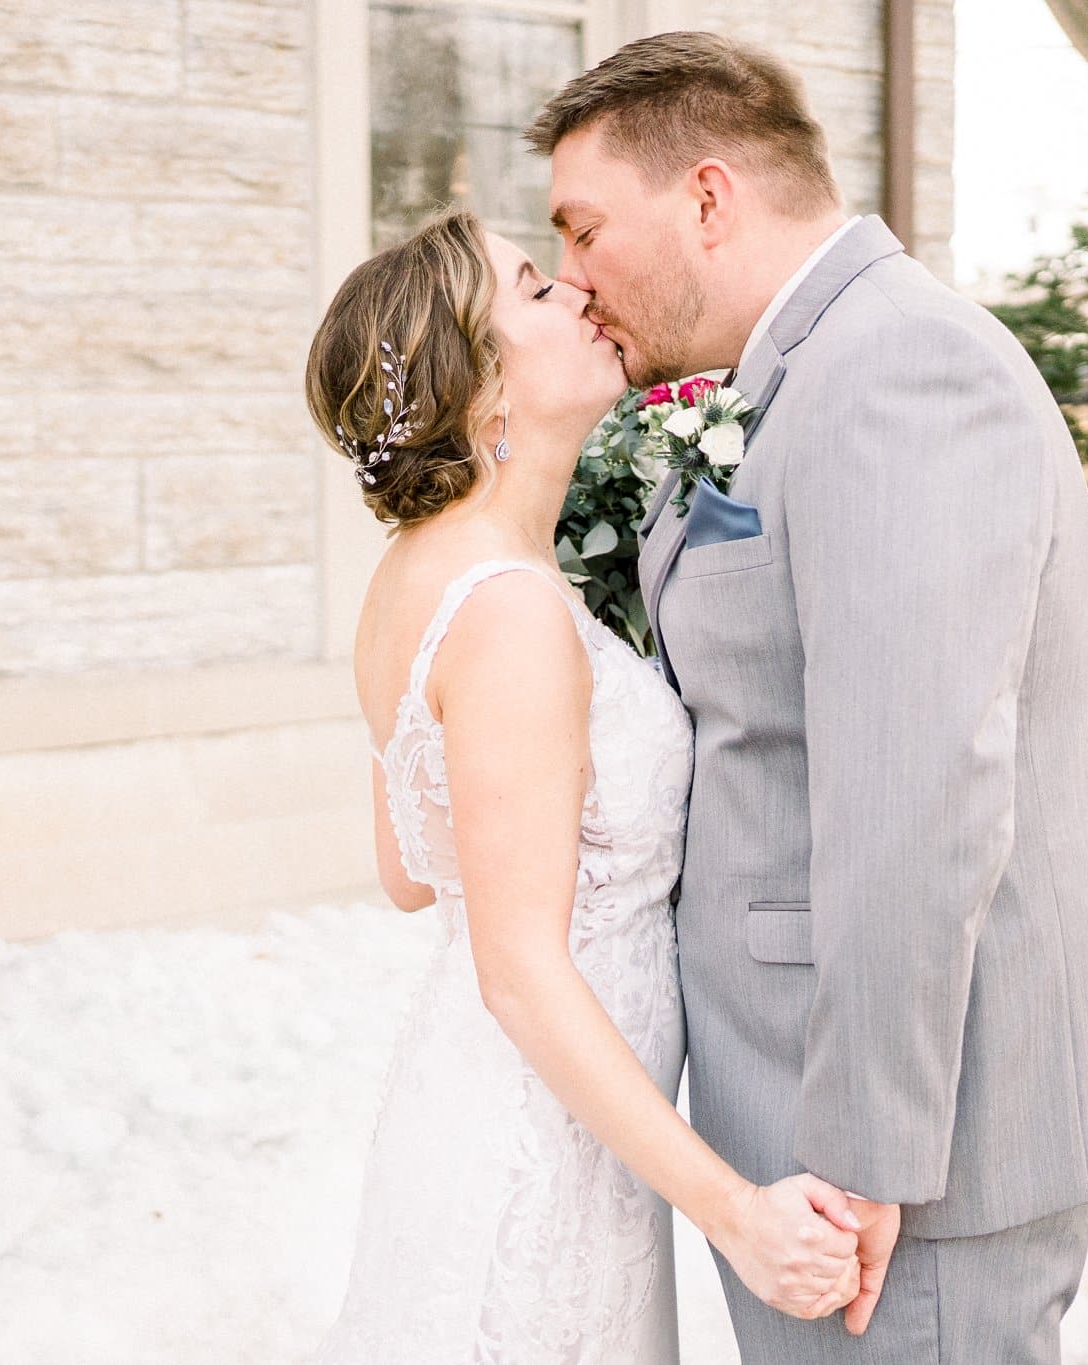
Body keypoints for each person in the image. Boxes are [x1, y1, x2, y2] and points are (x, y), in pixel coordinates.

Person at [526, 30, 1088, 1363]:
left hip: (903, 1154)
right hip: (809, 1111)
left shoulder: (898, 373)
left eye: (584, 229)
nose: (575, 278)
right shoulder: (788, 380)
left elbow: (918, 798)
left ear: (707, 198)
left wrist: (865, 1158)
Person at [304, 207, 863, 1365]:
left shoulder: (417, 577)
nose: (574, 287)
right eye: (534, 289)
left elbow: (415, 875)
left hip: (490, 1104)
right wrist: (738, 1214)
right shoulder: (506, 612)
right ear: (484, 393)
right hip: (535, 1151)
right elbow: (517, 970)